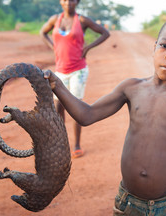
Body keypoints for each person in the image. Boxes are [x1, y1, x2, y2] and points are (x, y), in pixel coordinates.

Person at [44, 16, 166, 216]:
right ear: (155, 48)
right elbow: (87, 115)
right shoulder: (132, 88)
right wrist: (56, 85)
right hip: (128, 202)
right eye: (165, 46)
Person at [40, 0, 110, 158]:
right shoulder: (54, 20)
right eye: (65, 0)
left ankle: (77, 144)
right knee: (58, 109)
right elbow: (42, 32)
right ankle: (60, 143)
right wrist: (53, 47)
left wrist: (88, 47)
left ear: (77, 2)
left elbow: (105, 33)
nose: (68, 3)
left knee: (75, 107)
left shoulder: (82, 20)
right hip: (60, 71)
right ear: (61, 1)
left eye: (72, 0)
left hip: (78, 70)